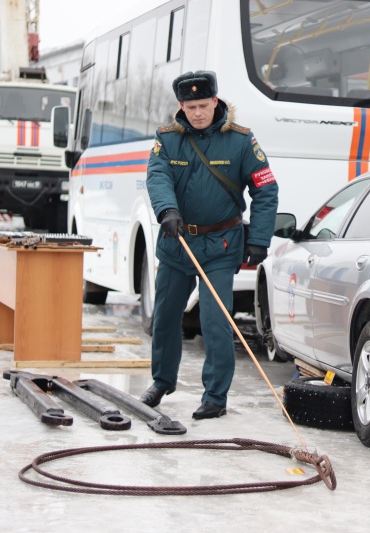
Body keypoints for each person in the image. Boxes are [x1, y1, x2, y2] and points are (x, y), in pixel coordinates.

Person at [140, 70, 279, 420]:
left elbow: (266, 190)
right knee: (167, 316)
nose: (198, 113)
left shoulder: (241, 141)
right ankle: (161, 381)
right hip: (178, 242)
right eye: (191, 106)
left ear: (216, 102)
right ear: (180, 106)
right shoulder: (167, 139)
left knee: (216, 320)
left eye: (204, 105)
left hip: (221, 243)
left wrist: (259, 239)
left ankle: (215, 396)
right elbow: (158, 176)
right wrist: (166, 210)